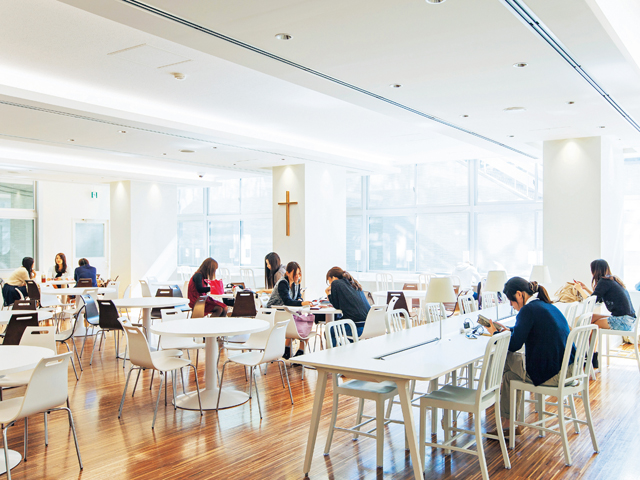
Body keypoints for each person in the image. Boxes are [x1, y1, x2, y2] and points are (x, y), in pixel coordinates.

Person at [485, 277, 573, 438]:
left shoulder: (528, 310)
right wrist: (510, 330)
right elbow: (528, 331)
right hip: (570, 368)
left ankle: (488, 403)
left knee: (505, 360)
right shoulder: (545, 305)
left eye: (511, 301)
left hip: (554, 374)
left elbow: (514, 346)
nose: (511, 305)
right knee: (510, 376)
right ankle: (508, 425)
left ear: (519, 295)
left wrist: (496, 334)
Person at [267, 261, 311, 359]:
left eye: (299, 273)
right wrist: (302, 303)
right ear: (287, 273)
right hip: (275, 313)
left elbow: (298, 297)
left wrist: (300, 300)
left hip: (286, 312)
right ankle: (298, 352)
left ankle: (292, 350)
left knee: (305, 322)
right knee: (304, 324)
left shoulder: (296, 283)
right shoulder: (283, 283)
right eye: (295, 274)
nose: (297, 276)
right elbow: (287, 301)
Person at [325, 266, 370, 343]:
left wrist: (328, 294)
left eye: (329, 281)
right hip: (367, 325)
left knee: (328, 331)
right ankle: (346, 349)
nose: (329, 284)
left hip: (355, 325)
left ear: (333, 278)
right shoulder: (354, 283)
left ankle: (335, 353)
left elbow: (336, 306)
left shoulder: (336, 283)